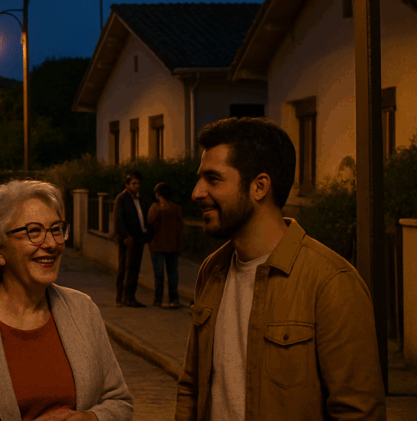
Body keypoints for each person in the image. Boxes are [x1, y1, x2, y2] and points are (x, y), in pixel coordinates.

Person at [176, 118, 386, 421]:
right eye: (200, 178)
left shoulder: (330, 282)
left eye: (213, 179)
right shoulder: (212, 270)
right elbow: (191, 386)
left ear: (259, 186)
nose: (197, 192)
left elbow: (359, 411)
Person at [0, 179, 134, 421]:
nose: (51, 244)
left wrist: (90, 418)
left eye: (56, 229)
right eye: (34, 232)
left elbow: (120, 402)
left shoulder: (84, 310)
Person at [111, 171, 151, 307]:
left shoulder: (141, 199)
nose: (137, 186)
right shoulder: (122, 199)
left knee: (134, 269)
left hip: (139, 238)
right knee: (125, 268)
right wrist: (125, 235)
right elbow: (118, 220)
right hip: (128, 239)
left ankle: (130, 296)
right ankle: (122, 296)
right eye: (134, 183)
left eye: (138, 183)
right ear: (127, 184)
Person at [146, 182, 183, 308]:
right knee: (172, 274)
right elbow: (179, 228)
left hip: (157, 245)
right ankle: (174, 299)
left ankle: (158, 299)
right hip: (172, 245)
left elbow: (150, 222)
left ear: (158, 194)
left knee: (159, 274)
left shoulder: (155, 208)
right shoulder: (176, 208)